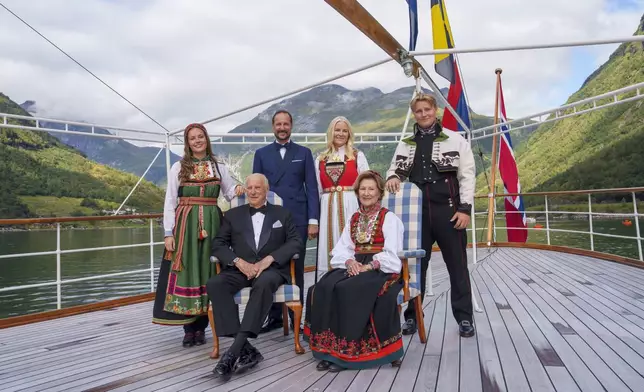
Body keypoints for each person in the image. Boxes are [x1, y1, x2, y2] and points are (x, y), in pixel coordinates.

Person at [385, 93, 476, 338]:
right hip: (416, 215)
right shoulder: (405, 143)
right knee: (416, 267)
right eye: (418, 111)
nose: (423, 114)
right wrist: (393, 177)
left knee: (457, 267)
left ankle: (464, 318)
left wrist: (465, 209)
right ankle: (413, 316)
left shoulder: (456, 140)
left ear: (435, 110)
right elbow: (393, 170)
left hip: (449, 211)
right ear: (414, 114)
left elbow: (467, 176)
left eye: (427, 109)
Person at [153, 123, 244, 347]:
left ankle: (202, 327)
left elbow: (229, 192)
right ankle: (188, 329)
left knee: (208, 271)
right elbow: (170, 201)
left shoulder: (218, 165)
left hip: (213, 223)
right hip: (185, 225)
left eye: (200, 136)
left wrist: (241, 189)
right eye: (192, 138)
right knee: (188, 271)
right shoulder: (178, 167)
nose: (197, 141)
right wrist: (168, 232)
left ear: (206, 138)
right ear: (187, 142)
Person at [304, 170, 405, 372]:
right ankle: (328, 350)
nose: (366, 193)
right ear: (358, 192)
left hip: (381, 268)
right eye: (363, 189)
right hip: (356, 264)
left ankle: (348, 354)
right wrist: (350, 261)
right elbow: (343, 247)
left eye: (371, 189)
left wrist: (369, 265)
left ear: (379, 192)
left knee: (348, 290)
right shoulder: (354, 218)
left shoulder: (389, 218)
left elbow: (393, 255)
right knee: (323, 286)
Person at [207, 173, 302, 381]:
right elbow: (219, 245)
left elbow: (295, 242)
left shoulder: (282, 214)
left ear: (266, 190)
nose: (252, 191)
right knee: (215, 284)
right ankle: (247, 349)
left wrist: (269, 259)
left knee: (265, 283)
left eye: (257, 188)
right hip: (240, 269)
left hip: (271, 270)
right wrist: (238, 262)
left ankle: (232, 353)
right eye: (249, 187)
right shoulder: (232, 215)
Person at [252, 109, 319, 332]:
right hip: (268, 219)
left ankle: (295, 316)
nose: (282, 128)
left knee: (296, 266)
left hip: (297, 219)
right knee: (268, 266)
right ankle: (274, 318)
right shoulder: (261, 154)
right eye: (278, 124)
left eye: (286, 124)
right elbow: (256, 190)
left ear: (291, 126)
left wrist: (313, 220)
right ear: (273, 127)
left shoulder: (304, 152)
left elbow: (311, 188)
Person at [314, 116, 369, 280]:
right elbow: (317, 189)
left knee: (351, 242)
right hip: (327, 206)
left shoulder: (357, 156)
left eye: (345, 130)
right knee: (328, 244)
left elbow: (367, 184)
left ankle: (352, 281)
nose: (341, 133)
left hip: (351, 203)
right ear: (331, 132)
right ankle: (327, 284)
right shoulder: (320, 159)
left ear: (349, 134)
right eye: (337, 130)